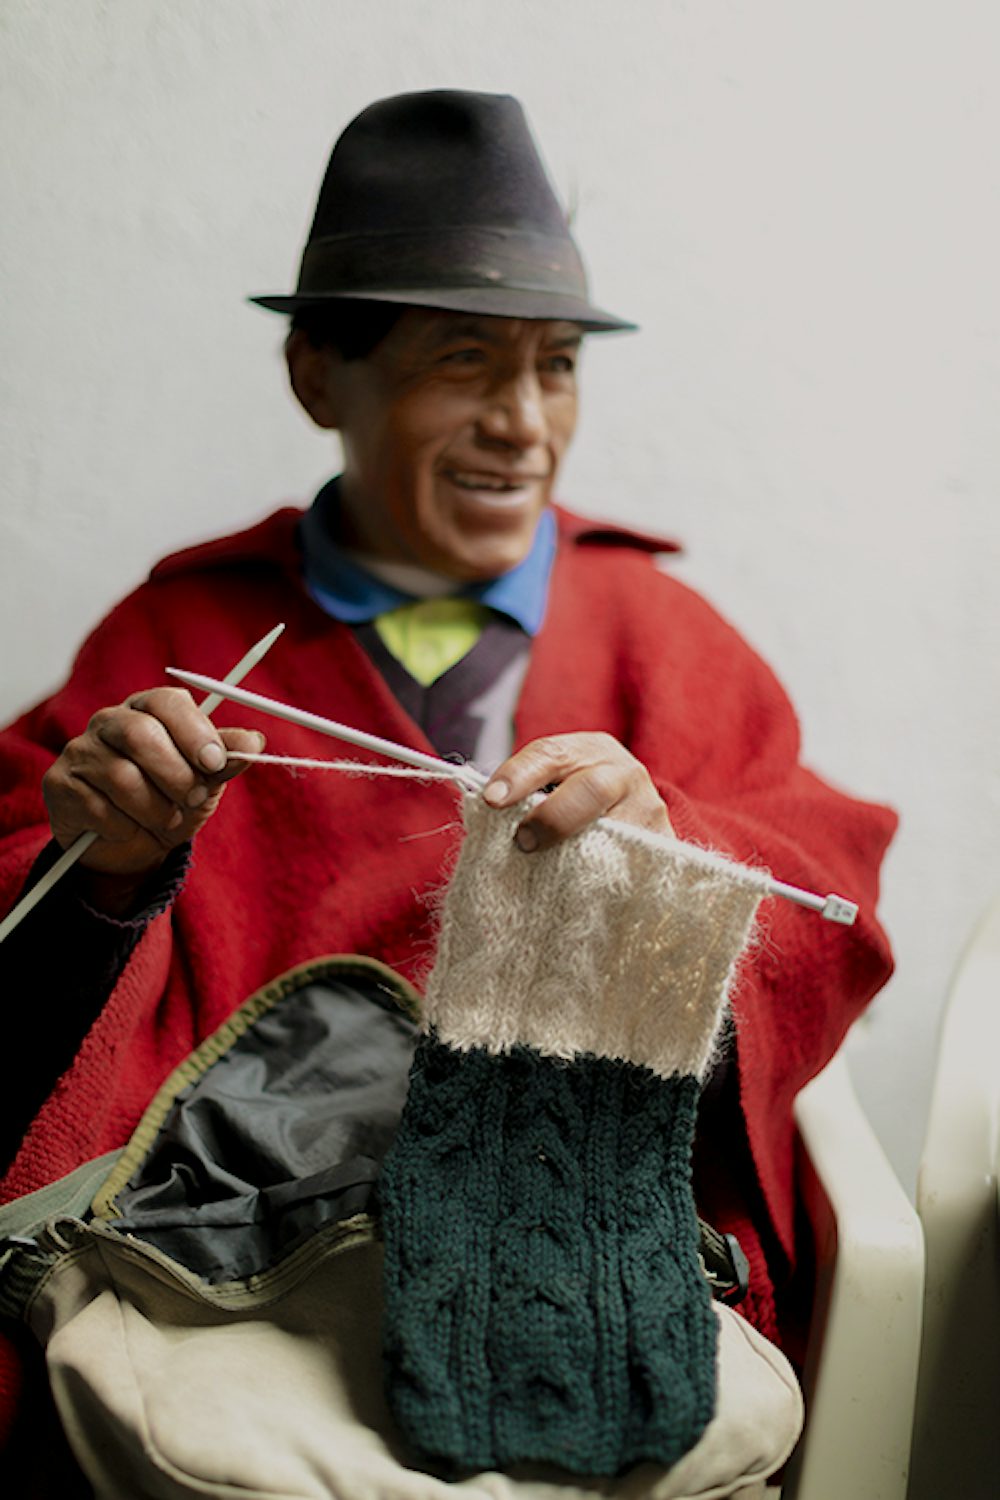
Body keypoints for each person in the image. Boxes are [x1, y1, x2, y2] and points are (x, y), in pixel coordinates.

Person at [0, 90, 895, 1476]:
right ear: (318, 377)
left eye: (557, 368)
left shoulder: (667, 642)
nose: (524, 423)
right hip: (234, 1289)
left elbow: (821, 894)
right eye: (464, 363)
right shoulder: (180, 641)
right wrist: (107, 867)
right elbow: (30, 923)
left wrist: (677, 867)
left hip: (571, 1246)